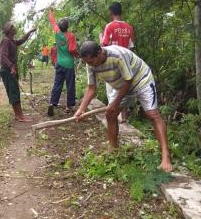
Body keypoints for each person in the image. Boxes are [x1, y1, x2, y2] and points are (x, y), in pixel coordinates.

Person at [74, 41, 173, 172]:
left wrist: (115, 103)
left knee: (152, 114)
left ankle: (166, 156)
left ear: (99, 53)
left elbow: (129, 80)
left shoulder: (117, 55)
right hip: (120, 84)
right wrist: (81, 109)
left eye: (92, 62)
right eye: (88, 63)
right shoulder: (90, 63)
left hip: (140, 79)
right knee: (110, 114)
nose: (90, 65)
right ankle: (113, 151)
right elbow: (92, 88)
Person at [101, 2, 135, 123]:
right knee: (124, 88)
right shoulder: (129, 27)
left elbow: (104, 46)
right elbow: (131, 47)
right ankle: (124, 117)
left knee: (112, 90)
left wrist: (100, 39)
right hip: (127, 61)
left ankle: (113, 116)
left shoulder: (109, 26)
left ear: (111, 11)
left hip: (113, 63)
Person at [0, 21, 36, 122]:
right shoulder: (6, 41)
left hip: (11, 70)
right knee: (14, 92)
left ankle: (19, 115)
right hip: (8, 71)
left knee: (15, 91)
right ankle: (19, 116)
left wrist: (30, 31)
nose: (15, 28)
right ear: (9, 30)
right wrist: (11, 67)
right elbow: (3, 57)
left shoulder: (12, 41)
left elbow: (22, 40)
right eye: (13, 27)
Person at [47, 9, 78, 116]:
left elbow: (52, 21)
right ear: (67, 26)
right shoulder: (71, 36)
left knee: (57, 83)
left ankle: (52, 103)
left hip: (59, 63)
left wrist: (50, 10)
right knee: (70, 85)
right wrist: (78, 55)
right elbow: (72, 50)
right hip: (69, 64)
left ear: (59, 26)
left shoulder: (56, 31)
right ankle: (69, 106)